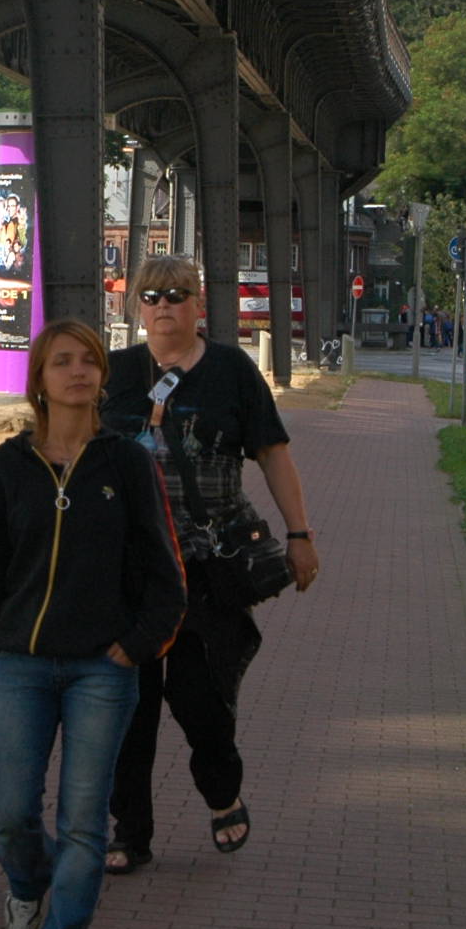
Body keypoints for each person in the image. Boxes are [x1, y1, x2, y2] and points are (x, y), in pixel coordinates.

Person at [0, 320, 186, 929]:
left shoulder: (127, 462)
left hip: (101, 668)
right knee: (8, 812)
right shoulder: (11, 464)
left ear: (102, 376)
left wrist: (136, 646)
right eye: (62, 361)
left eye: (88, 360)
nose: (78, 371)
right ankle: (29, 882)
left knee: (84, 820)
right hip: (20, 663)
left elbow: (165, 573)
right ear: (38, 379)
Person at [97, 256, 319, 874]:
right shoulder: (115, 373)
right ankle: (130, 831)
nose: (163, 306)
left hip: (207, 563)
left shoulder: (230, 371)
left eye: (176, 294)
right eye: (151, 297)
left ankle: (222, 791)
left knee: (201, 698)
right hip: (131, 570)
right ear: (136, 307)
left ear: (199, 304)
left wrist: (299, 534)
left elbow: (272, 454)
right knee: (129, 706)